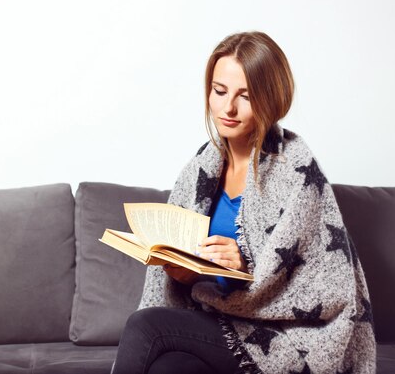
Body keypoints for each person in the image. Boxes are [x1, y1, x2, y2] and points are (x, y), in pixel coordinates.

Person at [111, 31, 377, 374]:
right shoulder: (199, 170)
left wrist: (243, 267)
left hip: (282, 336)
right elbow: (184, 274)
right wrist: (182, 275)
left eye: (245, 96)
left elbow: (321, 284)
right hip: (218, 323)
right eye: (219, 91)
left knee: (145, 326)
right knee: (170, 367)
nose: (228, 108)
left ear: (270, 99)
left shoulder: (295, 166)